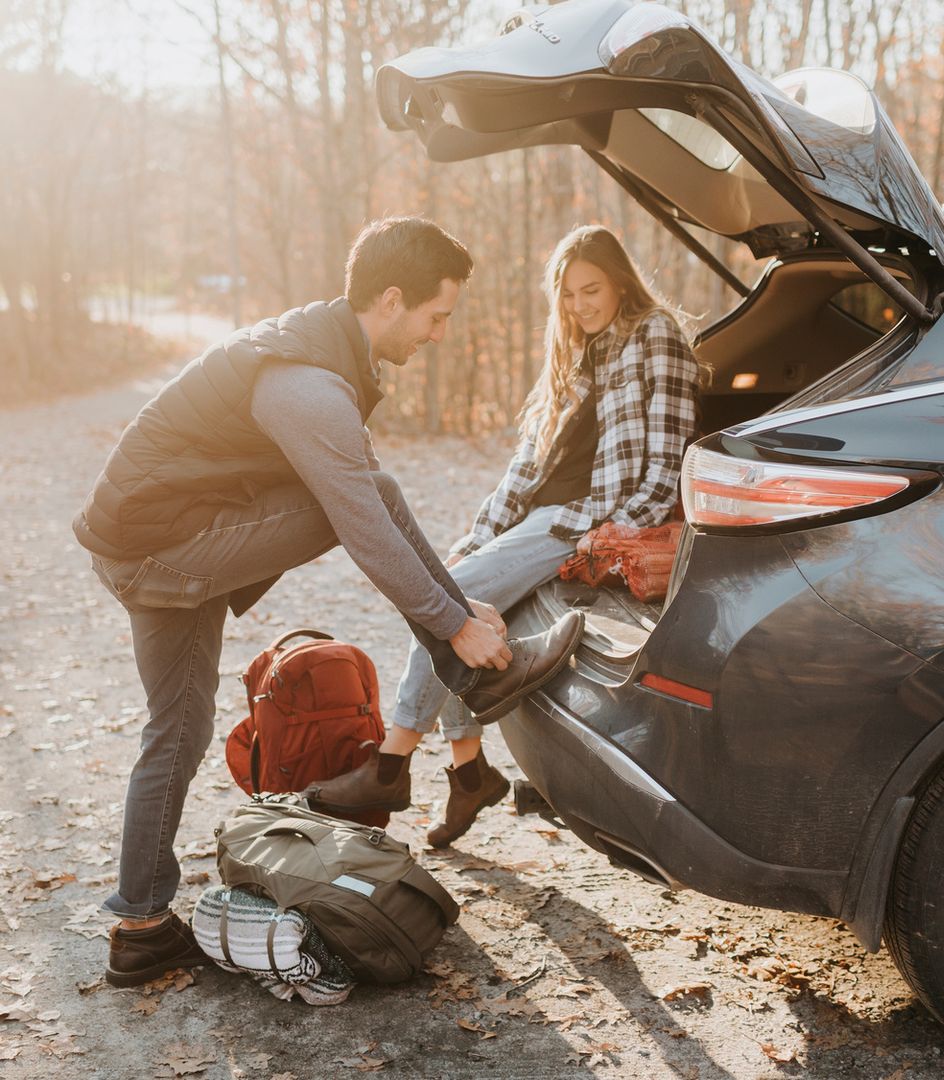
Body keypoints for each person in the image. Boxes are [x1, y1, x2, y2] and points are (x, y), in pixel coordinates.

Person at [73, 216, 584, 988]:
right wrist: (454, 622)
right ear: (389, 299)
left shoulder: (315, 353)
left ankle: (141, 928)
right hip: (161, 545)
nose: (441, 334)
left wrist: (457, 607)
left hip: (151, 536)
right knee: (361, 499)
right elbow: (367, 526)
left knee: (178, 726)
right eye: (436, 315)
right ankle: (472, 666)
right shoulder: (306, 382)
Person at [304, 224, 698, 848]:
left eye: (590, 289)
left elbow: (666, 456)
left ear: (620, 280)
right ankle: (468, 772)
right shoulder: (570, 353)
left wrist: (615, 536)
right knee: (461, 599)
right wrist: (476, 536)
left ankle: (392, 762)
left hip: (582, 521)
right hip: (537, 519)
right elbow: (524, 469)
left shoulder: (655, 336)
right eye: (566, 295)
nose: (579, 306)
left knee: (447, 601)